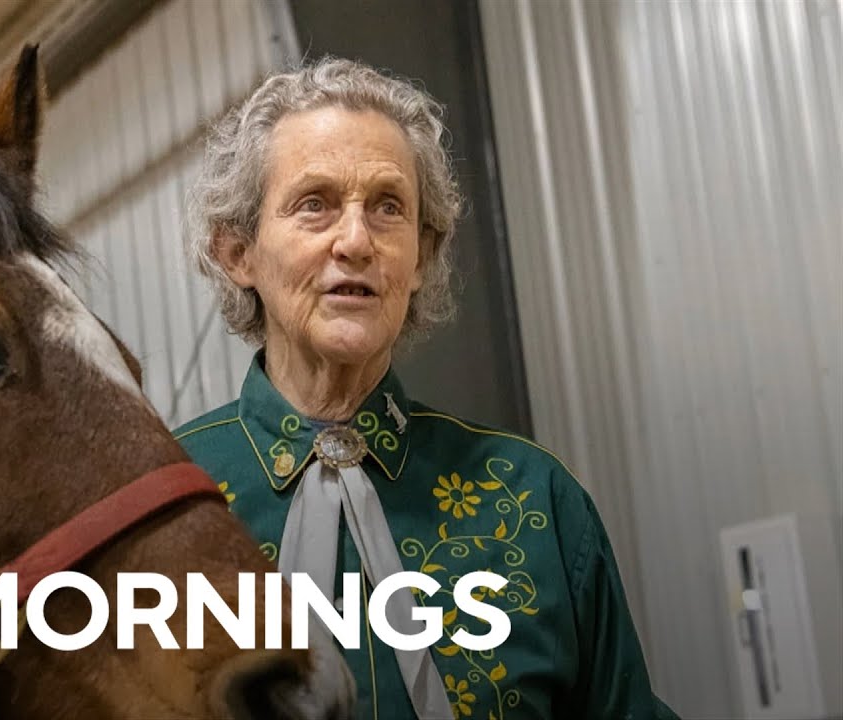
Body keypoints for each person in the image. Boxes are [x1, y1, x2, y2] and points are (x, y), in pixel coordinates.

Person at [174, 57, 678, 720]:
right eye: (314, 204)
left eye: (387, 207)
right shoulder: (164, 499)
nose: (355, 240)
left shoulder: (532, 499)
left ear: (423, 258)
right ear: (238, 252)